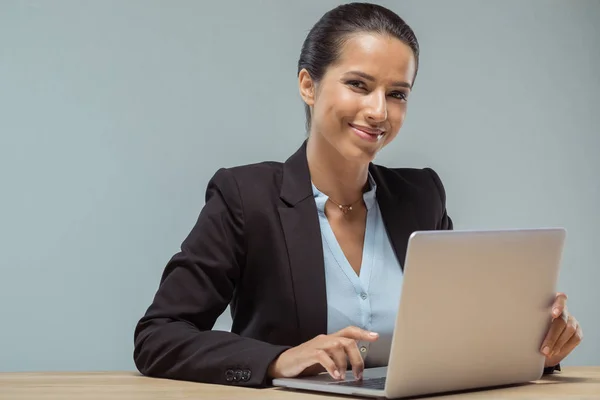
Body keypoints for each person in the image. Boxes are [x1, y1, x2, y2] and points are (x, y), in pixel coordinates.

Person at [133, 2, 582, 388]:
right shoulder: (245, 197)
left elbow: (456, 337)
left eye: (397, 93)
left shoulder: (421, 195)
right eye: (359, 85)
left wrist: (535, 343)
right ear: (308, 85)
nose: (379, 111)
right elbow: (159, 336)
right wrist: (276, 360)